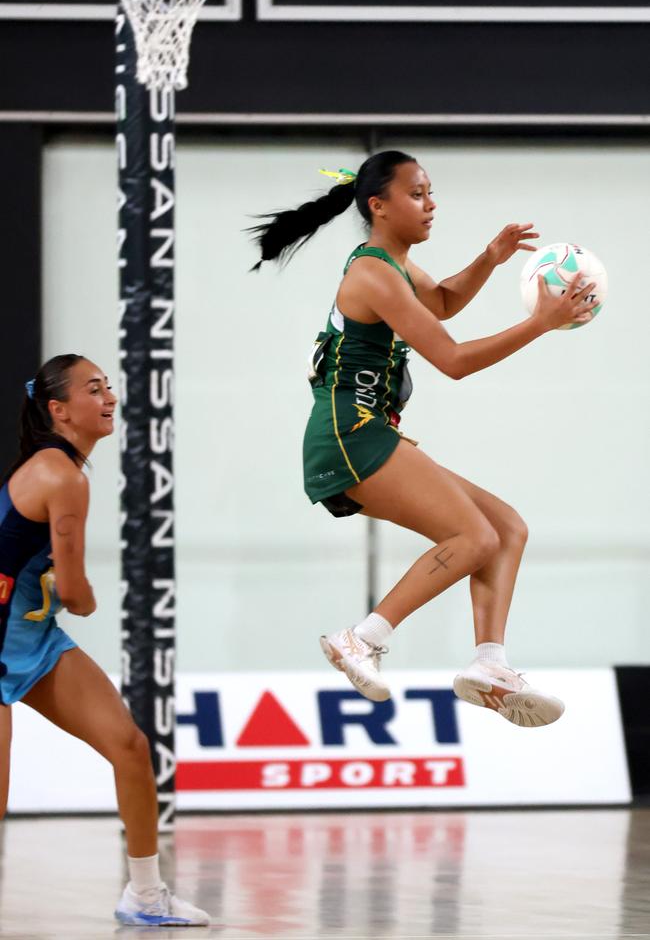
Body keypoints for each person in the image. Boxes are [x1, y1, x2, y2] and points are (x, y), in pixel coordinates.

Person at [252, 150, 597, 727]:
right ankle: (361, 638)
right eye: (418, 194)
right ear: (378, 206)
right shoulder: (372, 274)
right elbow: (454, 361)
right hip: (347, 433)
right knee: (474, 535)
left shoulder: (395, 267)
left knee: (506, 527)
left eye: (431, 192)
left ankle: (490, 663)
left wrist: (489, 259)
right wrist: (541, 322)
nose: (431, 204)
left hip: (368, 429)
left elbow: (442, 303)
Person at [0, 354, 209, 927]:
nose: (109, 398)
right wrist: (87, 598)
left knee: (129, 746)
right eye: (94, 389)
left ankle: (145, 895)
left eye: (109, 387)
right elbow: (74, 590)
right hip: (9, 638)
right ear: (59, 410)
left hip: (33, 640)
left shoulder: (64, 469)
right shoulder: (61, 475)